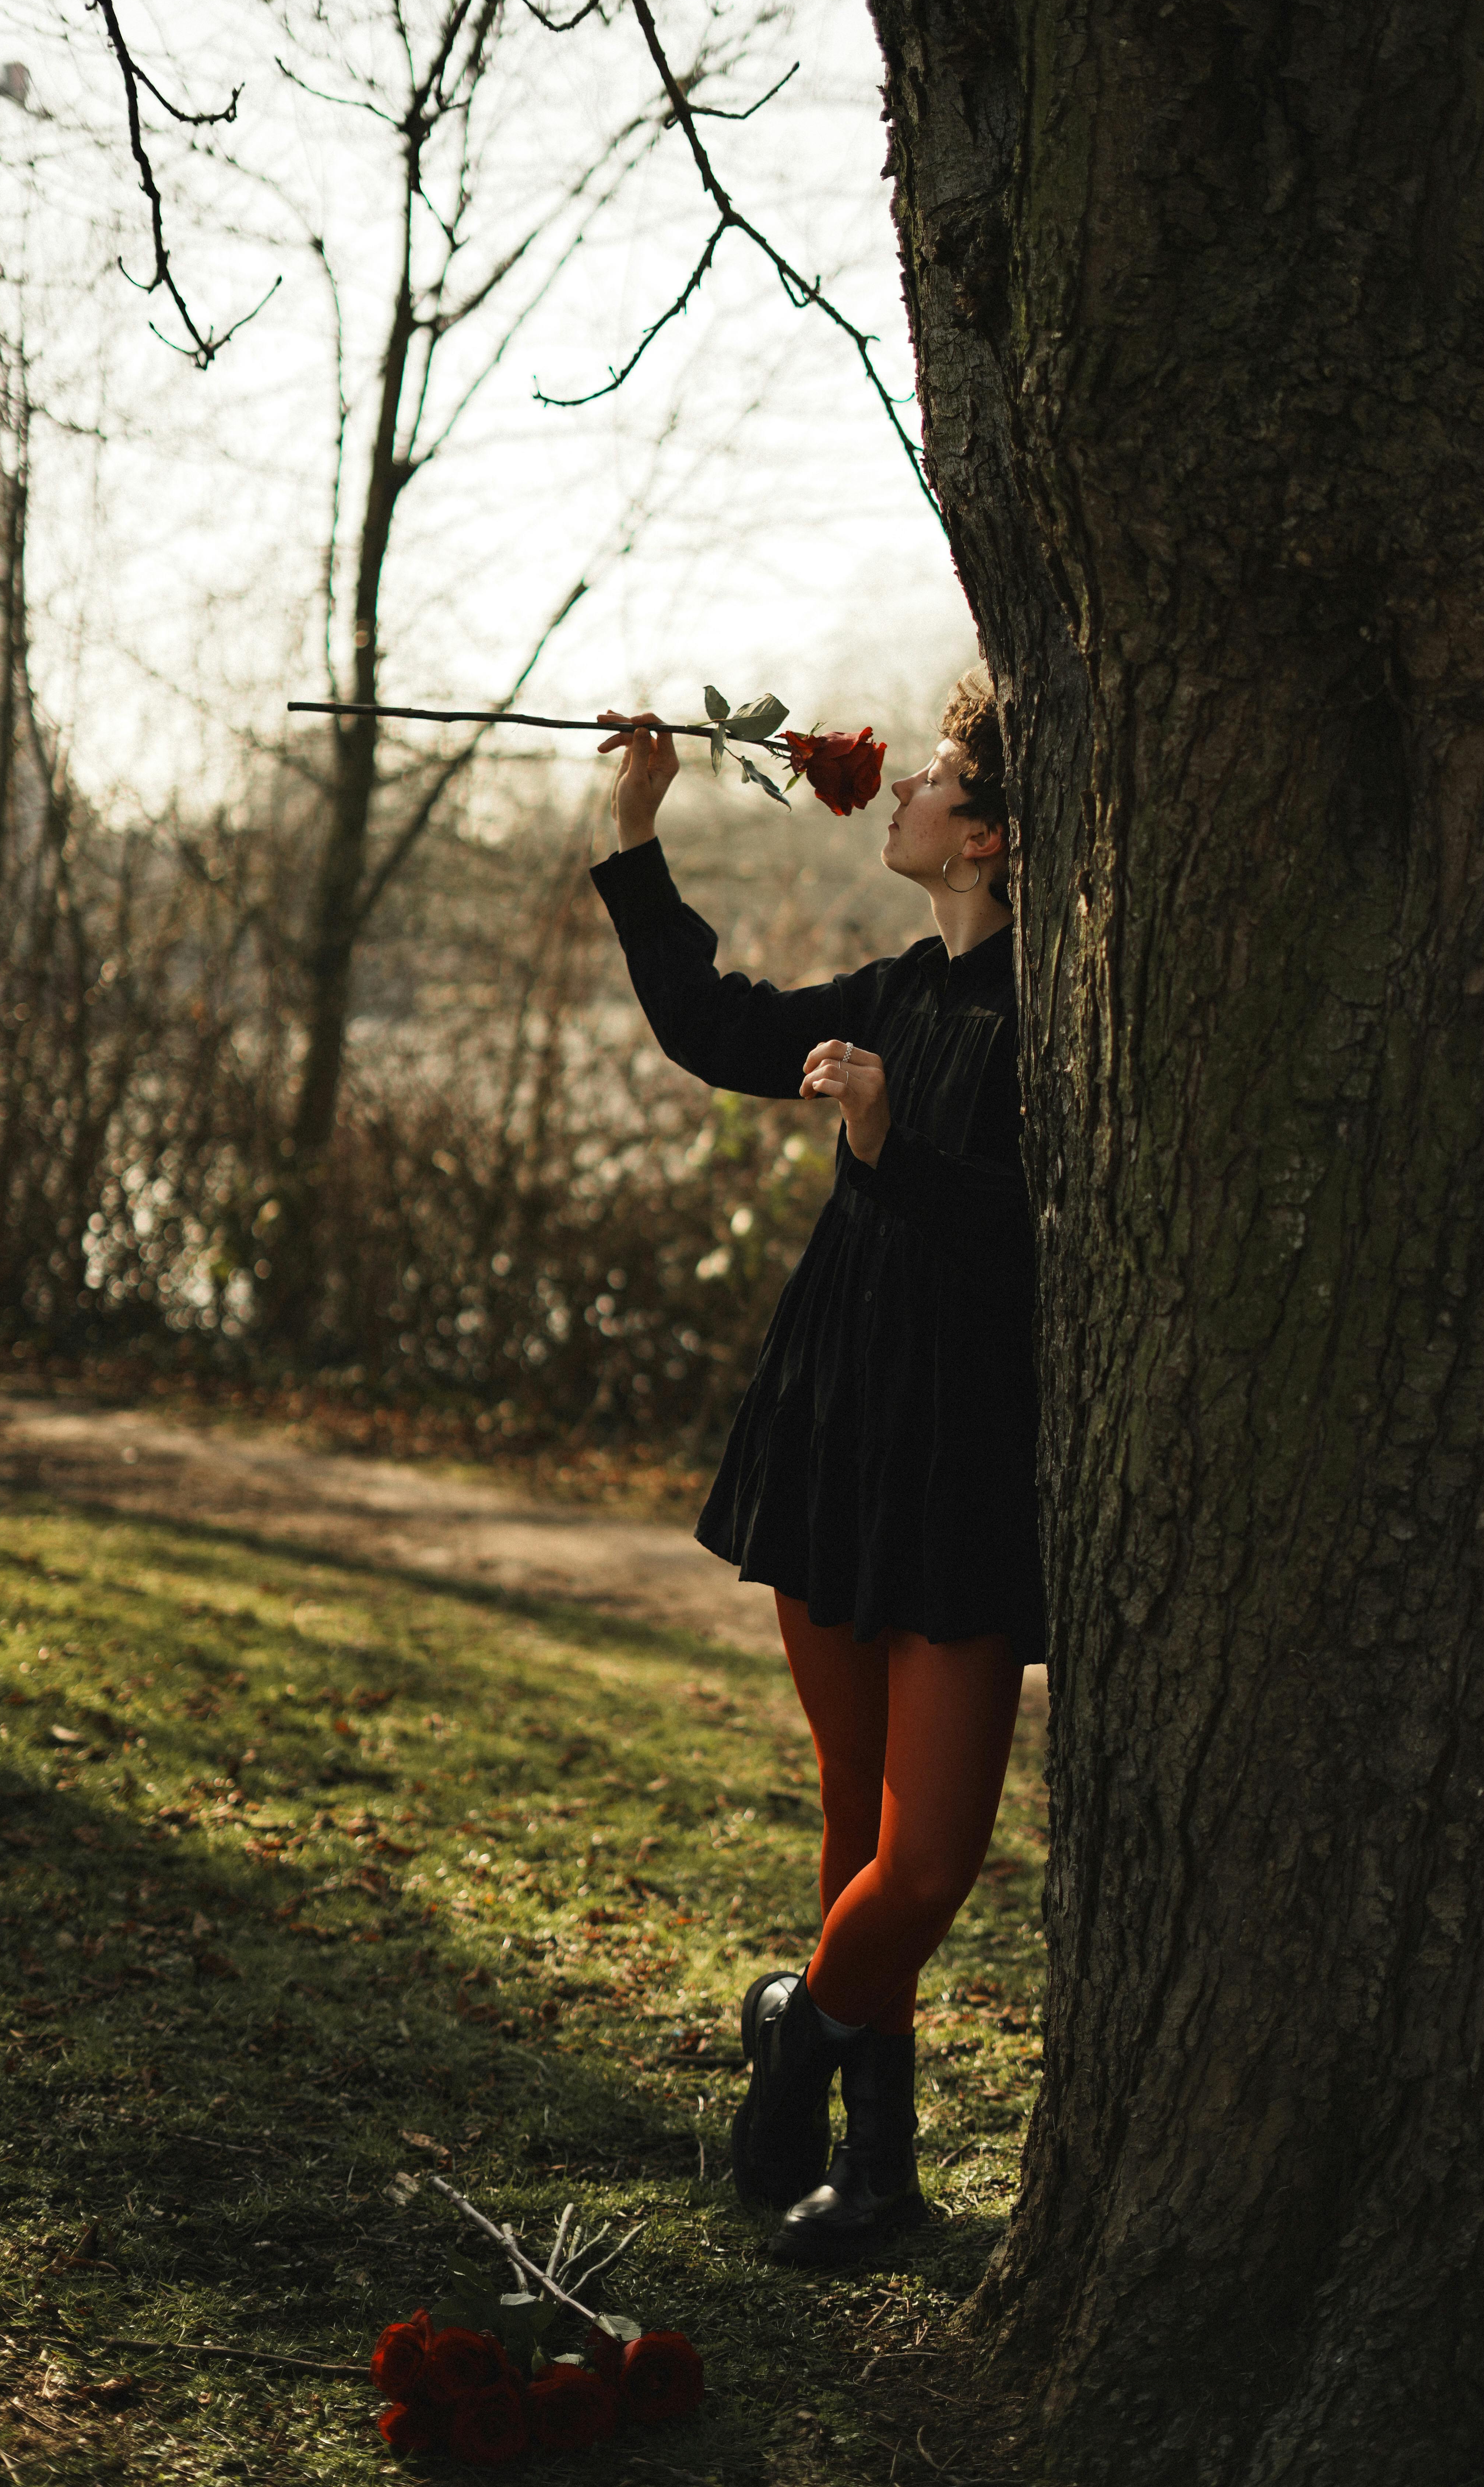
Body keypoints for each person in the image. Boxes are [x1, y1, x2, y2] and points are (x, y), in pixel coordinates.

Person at [588, 667, 1043, 2266]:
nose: (901, 793)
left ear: (985, 835)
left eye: (931, 780)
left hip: (967, 1474)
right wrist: (635, 839)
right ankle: (876, 2177)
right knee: (853, 1835)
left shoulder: (1059, 1017)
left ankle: (795, 2023)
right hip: (836, 1432)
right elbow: (714, 1027)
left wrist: (883, 1151)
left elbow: (1030, 1243)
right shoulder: (901, 987)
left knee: (924, 1866)